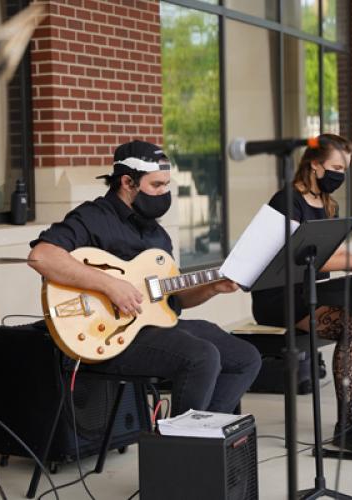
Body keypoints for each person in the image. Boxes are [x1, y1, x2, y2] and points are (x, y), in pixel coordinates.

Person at [28, 140, 261, 417]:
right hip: (108, 337)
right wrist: (111, 285)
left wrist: (212, 287)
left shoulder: (156, 234)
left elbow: (175, 299)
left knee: (246, 357)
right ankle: (179, 448)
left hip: (153, 328)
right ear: (128, 182)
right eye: (156, 185)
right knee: (202, 356)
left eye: (166, 185)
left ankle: (202, 434)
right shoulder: (93, 217)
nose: (164, 193)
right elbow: (41, 257)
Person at [251, 133, 352, 452]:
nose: (340, 175)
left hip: (312, 294)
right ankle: (347, 425)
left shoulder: (325, 202)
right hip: (280, 299)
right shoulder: (287, 201)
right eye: (335, 167)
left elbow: (338, 251)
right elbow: (303, 255)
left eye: (344, 169)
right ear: (315, 166)